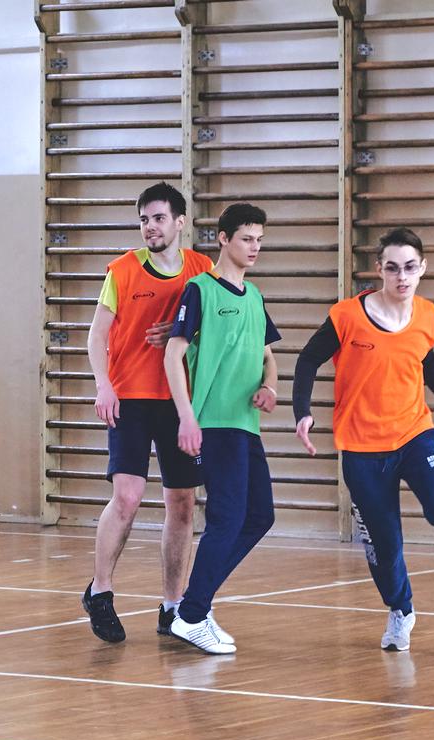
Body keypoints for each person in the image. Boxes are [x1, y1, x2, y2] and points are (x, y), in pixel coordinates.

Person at [293, 226, 434, 651]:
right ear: (379, 269)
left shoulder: (428, 314)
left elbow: (425, 362)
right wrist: (302, 412)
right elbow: (307, 360)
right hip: (362, 447)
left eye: (410, 268)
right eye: (393, 268)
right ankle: (400, 609)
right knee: (385, 543)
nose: (402, 277)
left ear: (422, 269)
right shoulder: (347, 316)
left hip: (416, 435)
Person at [81, 182, 212, 643]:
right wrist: (103, 385)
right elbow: (96, 336)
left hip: (179, 401)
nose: (150, 227)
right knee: (128, 497)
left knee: (182, 502)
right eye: (143, 219)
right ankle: (100, 591)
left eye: (158, 218)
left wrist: (181, 333)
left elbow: (210, 332)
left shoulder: (202, 270)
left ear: (179, 222)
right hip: (131, 398)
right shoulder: (122, 270)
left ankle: (172, 606)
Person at [163, 203, 281, 655]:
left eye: (259, 240)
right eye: (247, 239)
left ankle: (196, 602)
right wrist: (186, 417)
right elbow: (173, 355)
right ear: (224, 239)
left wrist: (270, 387)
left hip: (246, 425)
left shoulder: (255, 297)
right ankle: (192, 615)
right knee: (228, 520)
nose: (254, 248)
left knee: (260, 516)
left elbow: (268, 357)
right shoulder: (200, 291)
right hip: (214, 424)